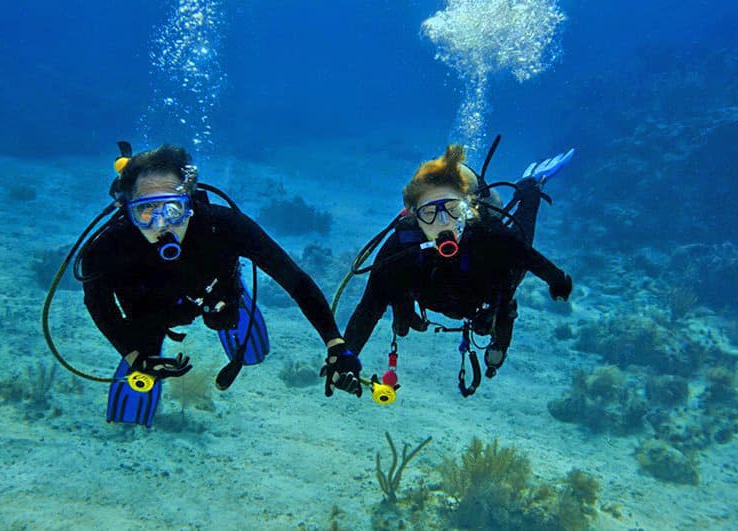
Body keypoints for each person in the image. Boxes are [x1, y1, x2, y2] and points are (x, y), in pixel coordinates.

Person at [79, 143, 357, 426]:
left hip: (214, 293)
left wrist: (335, 342)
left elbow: (293, 279)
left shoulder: (222, 226)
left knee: (225, 315)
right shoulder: (108, 247)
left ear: (189, 204)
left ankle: (236, 305)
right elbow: (98, 304)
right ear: (127, 210)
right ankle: (141, 365)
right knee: (143, 358)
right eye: (146, 210)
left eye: (173, 208)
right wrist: (133, 354)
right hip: (151, 308)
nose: (161, 224)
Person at [334, 143, 573, 397]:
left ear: (467, 208)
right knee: (398, 299)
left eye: (452, 209)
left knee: (516, 253)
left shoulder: (489, 236)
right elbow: (368, 308)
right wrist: (346, 360)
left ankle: (531, 188)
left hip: (486, 289)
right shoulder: (400, 249)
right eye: (429, 213)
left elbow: (530, 257)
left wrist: (557, 281)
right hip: (433, 292)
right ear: (415, 216)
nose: (443, 222)